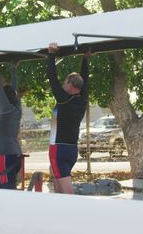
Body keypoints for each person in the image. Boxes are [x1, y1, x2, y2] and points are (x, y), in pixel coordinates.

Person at [46, 43, 90, 194]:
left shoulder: (64, 100)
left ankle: (74, 215)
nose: (63, 85)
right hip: (71, 150)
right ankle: (60, 214)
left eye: (65, 82)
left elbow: (52, 77)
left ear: (71, 85)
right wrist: (85, 59)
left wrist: (51, 54)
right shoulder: (82, 100)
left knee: (67, 192)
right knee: (58, 185)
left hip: (58, 149)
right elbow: (85, 80)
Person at [0, 53, 22, 189]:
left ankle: (6, 210)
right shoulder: (16, 108)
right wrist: (13, 69)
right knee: (9, 186)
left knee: (5, 189)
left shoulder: (6, 109)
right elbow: (14, 90)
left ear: (4, 98)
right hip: (13, 154)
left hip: (5, 156)